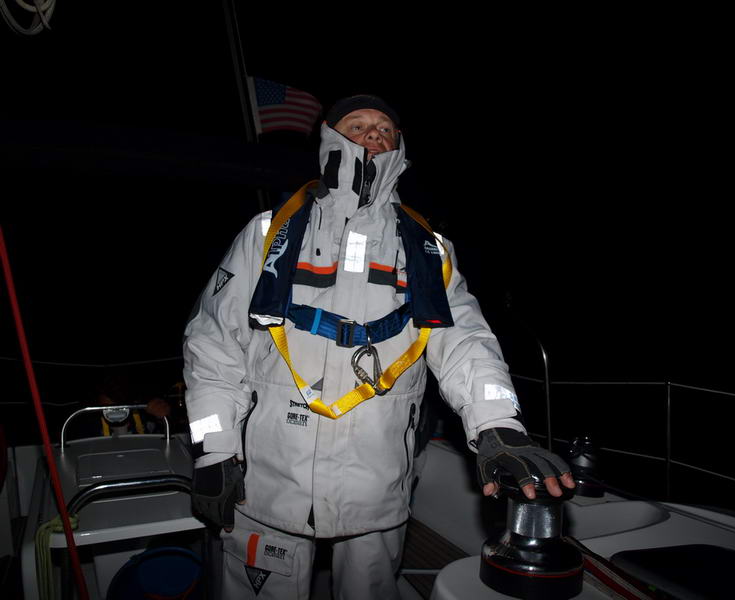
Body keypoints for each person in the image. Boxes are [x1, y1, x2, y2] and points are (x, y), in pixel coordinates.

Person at [183, 95, 574, 599]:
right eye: (358, 124)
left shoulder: (427, 247)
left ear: (398, 146)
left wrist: (498, 424)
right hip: (269, 480)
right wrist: (214, 450)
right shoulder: (267, 232)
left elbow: (465, 342)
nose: (373, 133)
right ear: (330, 137)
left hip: (377, 482)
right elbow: (213, 343)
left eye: (385, 128)